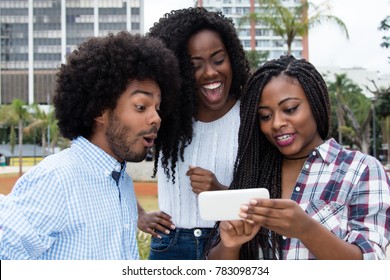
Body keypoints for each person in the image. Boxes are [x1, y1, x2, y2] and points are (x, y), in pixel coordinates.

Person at [0, 31, 181, 260]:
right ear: (99, 111)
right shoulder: (56, 178)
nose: (156, 118)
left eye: (157, 107)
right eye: (141, 106)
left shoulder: (121, 181)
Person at [207, 55, 390, 260]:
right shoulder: (254, 172)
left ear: (315, 103)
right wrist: (230, 246)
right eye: (265, 116)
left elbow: (372, 263)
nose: (276, 123)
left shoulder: (361, 170)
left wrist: (306, 229)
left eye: (290, 109)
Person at [136, 7, 250, 260]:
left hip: (230, 245)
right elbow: (112, 157)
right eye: (194, 65)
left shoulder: (252, 115)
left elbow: (268, 196)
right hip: (170, 246)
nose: (210, 72)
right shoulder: (164, 116)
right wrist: (140, 214)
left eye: (218, 60)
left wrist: (219, 192)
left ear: (232, 57)